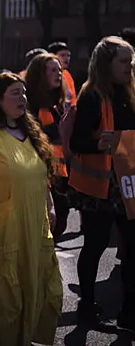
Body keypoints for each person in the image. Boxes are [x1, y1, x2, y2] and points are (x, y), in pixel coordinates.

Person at [0, 72, 63, 345]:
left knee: (38, 283)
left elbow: (41, 172)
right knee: (6, 292)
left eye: (24, 92)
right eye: (15, 93)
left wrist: (50, 206)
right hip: (3, 225)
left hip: (34, 223)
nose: (23, 98)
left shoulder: (30, 130)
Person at [68, 36, 135, 330]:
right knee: (94, 245)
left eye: (131, 60)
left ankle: (129, 310)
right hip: (99, 188)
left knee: (132, 246)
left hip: (127, 183)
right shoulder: (92, 96)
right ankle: (86, 305)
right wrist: (99, 142)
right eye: (124, 60)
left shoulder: (130, 92)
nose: (130, 66)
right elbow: (77, 141)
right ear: (107, 64)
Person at [25, 53, 70, 239]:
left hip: (60, 172)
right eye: (52, 70)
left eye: (59, 69)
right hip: (40, 173)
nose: (58, 73)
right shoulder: (29, 104)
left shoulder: (57, 103)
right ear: (40, 75)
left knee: (61, 216)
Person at [48, 42, 76, 107]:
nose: (66, 58)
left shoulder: (67, 75)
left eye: (68, 55)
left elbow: (73, 99)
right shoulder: (46, 74)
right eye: (63, 55)